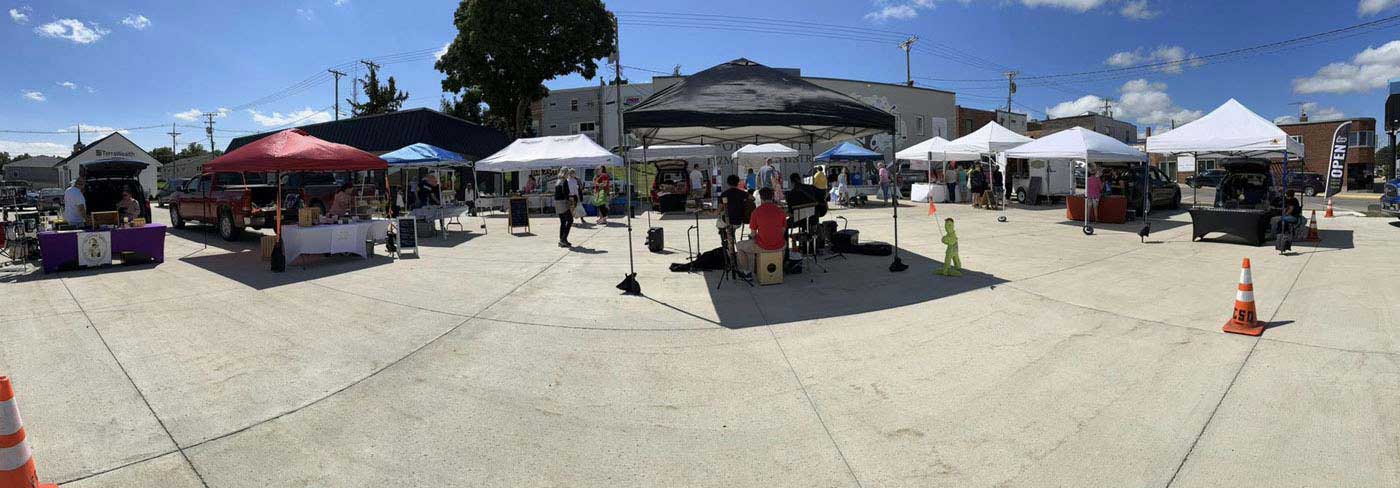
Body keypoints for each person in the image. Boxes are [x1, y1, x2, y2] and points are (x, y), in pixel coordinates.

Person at [734, 187, 785, 274]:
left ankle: (746, 272)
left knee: (739, 246)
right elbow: (783, 231)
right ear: (772, 197)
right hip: (780, 246)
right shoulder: (781, 211)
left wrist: (756, 237)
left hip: (763, 246)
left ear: (761, 198)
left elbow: (753, 234)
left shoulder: (756, 212)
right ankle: (777, 270)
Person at [553, 169, 574, 248]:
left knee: (563, 221)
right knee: (570, 220)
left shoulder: (558, 181)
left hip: (557, 202)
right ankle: (563, 239)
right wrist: (569, 202)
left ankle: (562, 240)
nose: (568, 174)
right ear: (565, 173)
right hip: (563, 202)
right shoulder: (564, 181)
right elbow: (566, 193)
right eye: (567, 173)